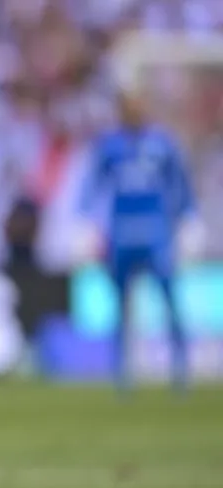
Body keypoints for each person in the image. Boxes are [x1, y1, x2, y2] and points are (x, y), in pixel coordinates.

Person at [81, 92, 196, 394]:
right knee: (120, 305)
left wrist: (188, 221)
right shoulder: (109, 146)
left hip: (157, 233)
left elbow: (180, 185)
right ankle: (122, 374)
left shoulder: (163, 144)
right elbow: (92, 187)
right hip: (121, 234)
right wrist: (89, 227)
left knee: (170, 301)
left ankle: (181, 371)